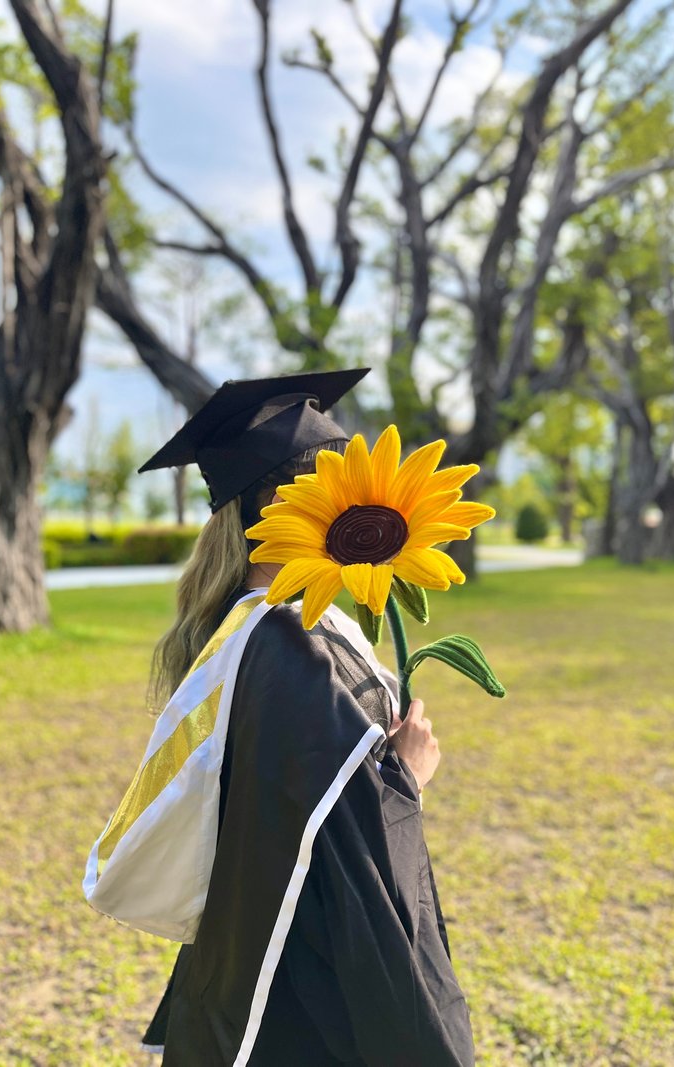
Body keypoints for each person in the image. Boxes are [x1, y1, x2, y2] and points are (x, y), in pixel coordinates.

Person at [84, 370, 475, 1066]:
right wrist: (406, 779)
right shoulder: (299, 652)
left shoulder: (243, 628)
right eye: (331, 483)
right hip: (304, 975)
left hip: (246, 941)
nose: (350, 500)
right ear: (286, 503)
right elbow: (354, 848)